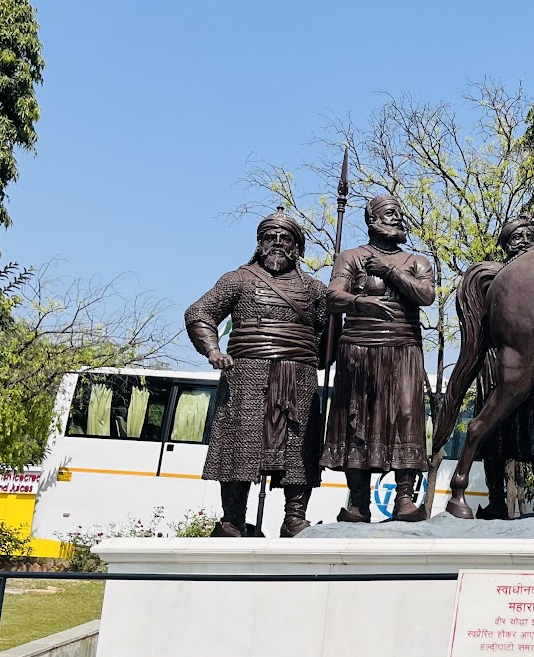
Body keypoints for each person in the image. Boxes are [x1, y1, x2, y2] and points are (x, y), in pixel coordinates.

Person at [184, 209, 329, 538]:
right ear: (259, 243)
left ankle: (295, 516)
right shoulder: (238, 279)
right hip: (247, 374)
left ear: (297, 246)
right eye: (269, 238)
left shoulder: (315, 289)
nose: (277, 244)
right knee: (240, 445)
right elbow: (200, 312)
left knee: (298, 448)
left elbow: (326, 334)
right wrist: (213, 350)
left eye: (285, 238)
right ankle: (232, 519)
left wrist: (312, 350)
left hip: (298, 377)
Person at [322, 194, 437, 521]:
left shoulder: (417, 262)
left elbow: (426, 295)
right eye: (390, 213)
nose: (398, 218)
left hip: (403, 349)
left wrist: (389, 271)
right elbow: (333, 295)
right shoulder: (351, 257)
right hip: (359, 349)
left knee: (406, 418)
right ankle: (359, 502)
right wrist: (360, 303)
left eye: (400, 213)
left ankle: (404, 499)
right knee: (358, 420)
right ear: (372, 220)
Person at [469, 215, 534, 518]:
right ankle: (496, 498)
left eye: (529, 236)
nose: (524, 241)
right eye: (517, 236)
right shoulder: (492, 275)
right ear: (506, 243)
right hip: (498, 359)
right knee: (493, 431)